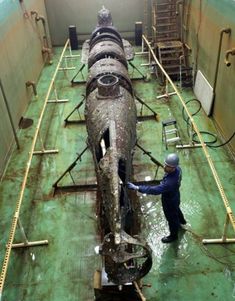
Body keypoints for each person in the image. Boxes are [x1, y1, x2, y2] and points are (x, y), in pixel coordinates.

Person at [127, 153, 186, 243]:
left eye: (168, 166)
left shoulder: (169, 183)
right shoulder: (178, 169)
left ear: (173, 167)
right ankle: (182, 221)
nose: (165, 167)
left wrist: (137, 188)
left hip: (169, 200)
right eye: (165, 164)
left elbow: (154, 190)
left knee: (171, 218)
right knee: (176, 209)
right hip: (175, 195)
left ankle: (173, 236)